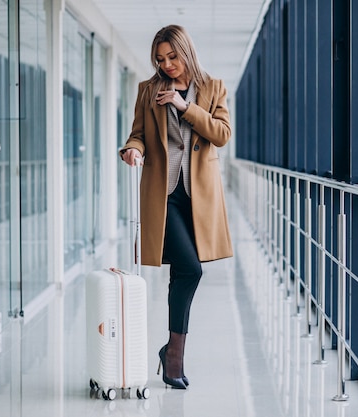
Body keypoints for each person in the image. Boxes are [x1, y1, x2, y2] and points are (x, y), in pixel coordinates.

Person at [119, 24, 233, 389]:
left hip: (198, 196)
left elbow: (221, 134)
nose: (167, 65)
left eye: (172, 57)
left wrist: (186, 108)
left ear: (186, 51)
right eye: (160, 59)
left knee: (184, 272)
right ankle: (174, 356)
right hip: (163, 193)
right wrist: (133, 148)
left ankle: (172, 353)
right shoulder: (148, 91)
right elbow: (138, 132)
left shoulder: (213, 87)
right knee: (190, 270)